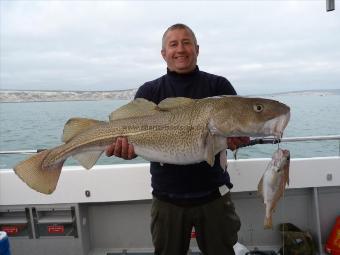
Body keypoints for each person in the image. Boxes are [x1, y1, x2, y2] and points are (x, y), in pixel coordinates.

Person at [106, 23, 250, 255]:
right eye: (173, 44)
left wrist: (239, 139)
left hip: (214, 195)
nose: (180, 49)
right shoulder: (149, 91)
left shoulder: (218, 87)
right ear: (164, 53)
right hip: (166, 199)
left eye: (186, 42)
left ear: (197, 49)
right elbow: (134, 145)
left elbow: (238, 129)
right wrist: (126, 150)